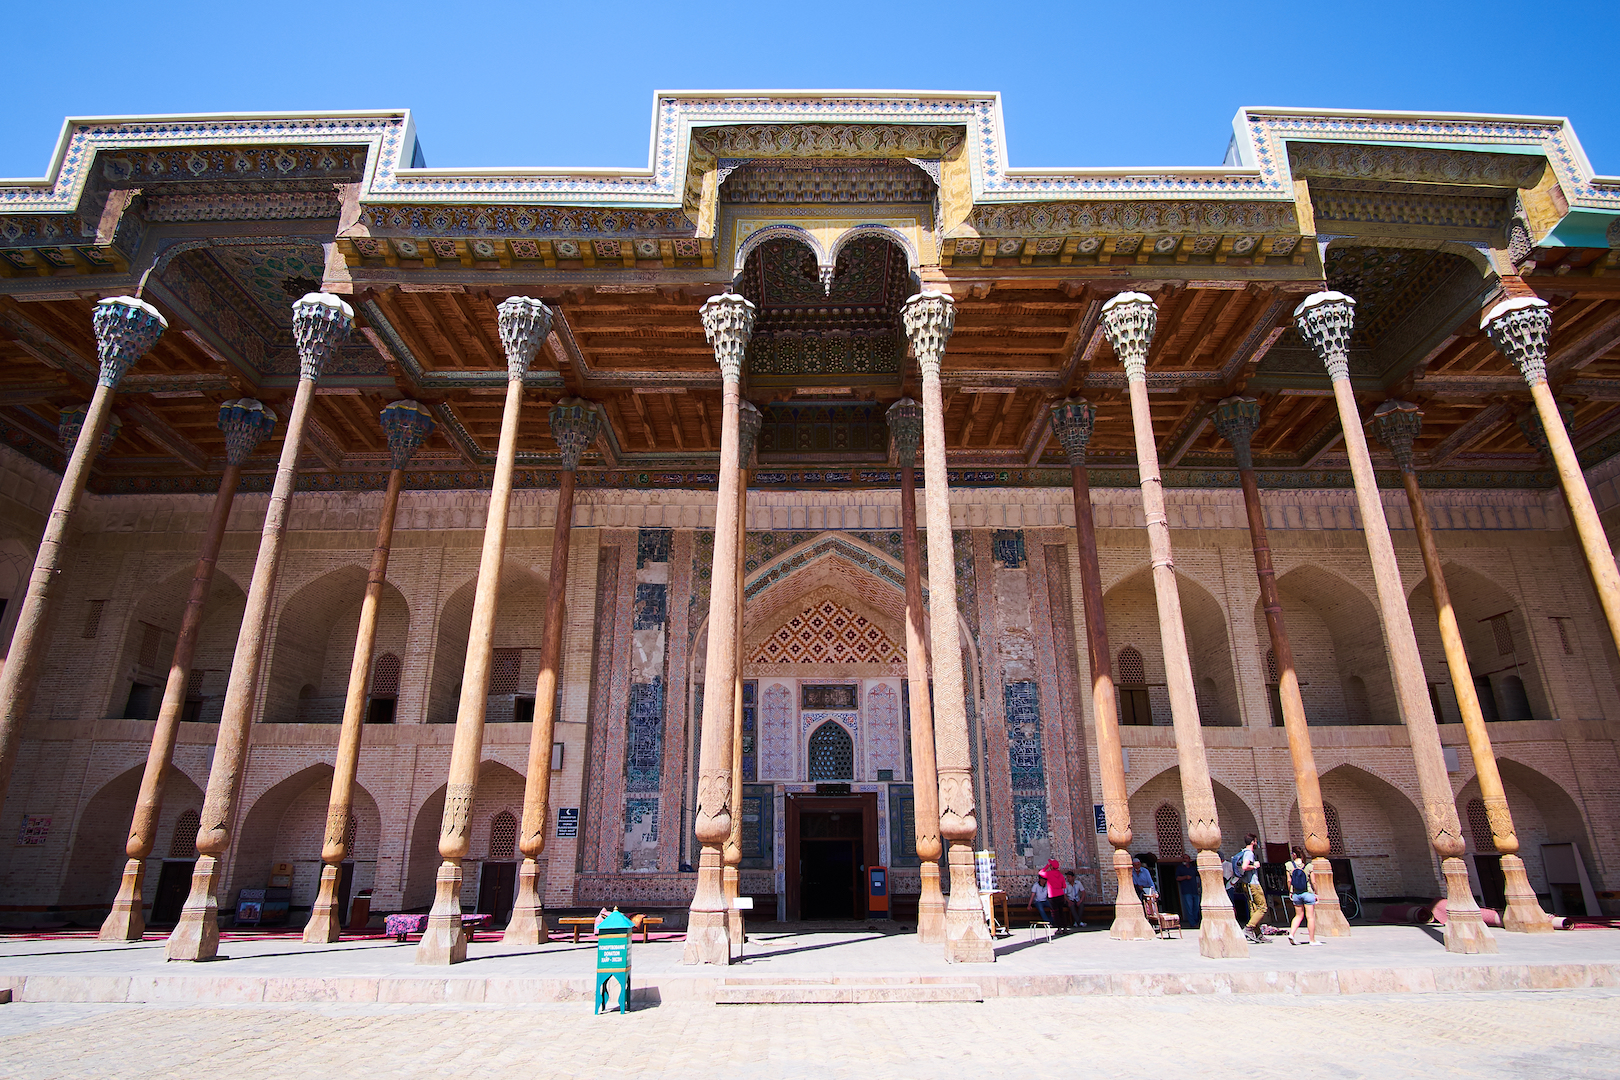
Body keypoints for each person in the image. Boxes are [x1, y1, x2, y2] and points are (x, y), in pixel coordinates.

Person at [1286, 845, 1323, 946]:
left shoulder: (1289, 865)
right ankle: (1312, 939)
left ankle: (1292, 934)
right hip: (1308, 893)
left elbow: (1289, 880)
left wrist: (1290, 891)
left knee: (1298, 916)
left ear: (1293, 854)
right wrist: (1316, 893)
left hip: (1296, 894)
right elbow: (1313, 881)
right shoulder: (1308, 866)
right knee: (1310, 917)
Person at [1234, 834, 1267, 943]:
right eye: (1256, 841)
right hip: (1253, 883)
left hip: (1246, 884)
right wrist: (1254, 866)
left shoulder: (1243, 852)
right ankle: (1249, 928)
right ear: (1253, 842)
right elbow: (1244, 866)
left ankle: (1258, 934)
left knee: (1254, 908)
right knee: (1262, 907)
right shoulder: (1249, 853)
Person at [1224, 849, 1250, 926]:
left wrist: (1232, 883)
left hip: (1229, 886)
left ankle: (1233, 920)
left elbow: (1237, 874)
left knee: (1230, 904)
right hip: (1221, 887)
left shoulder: (1228, 864)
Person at [1035, 858, 1063, 926]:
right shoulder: (1059, 874)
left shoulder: (1049, 874)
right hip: (1060, 895)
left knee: (1054, 911)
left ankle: (1051, 924)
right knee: (1058, 911)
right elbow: (1063, 885)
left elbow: (1040, 872)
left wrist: (1047, 866)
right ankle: (1061, 926)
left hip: (1053, 896)